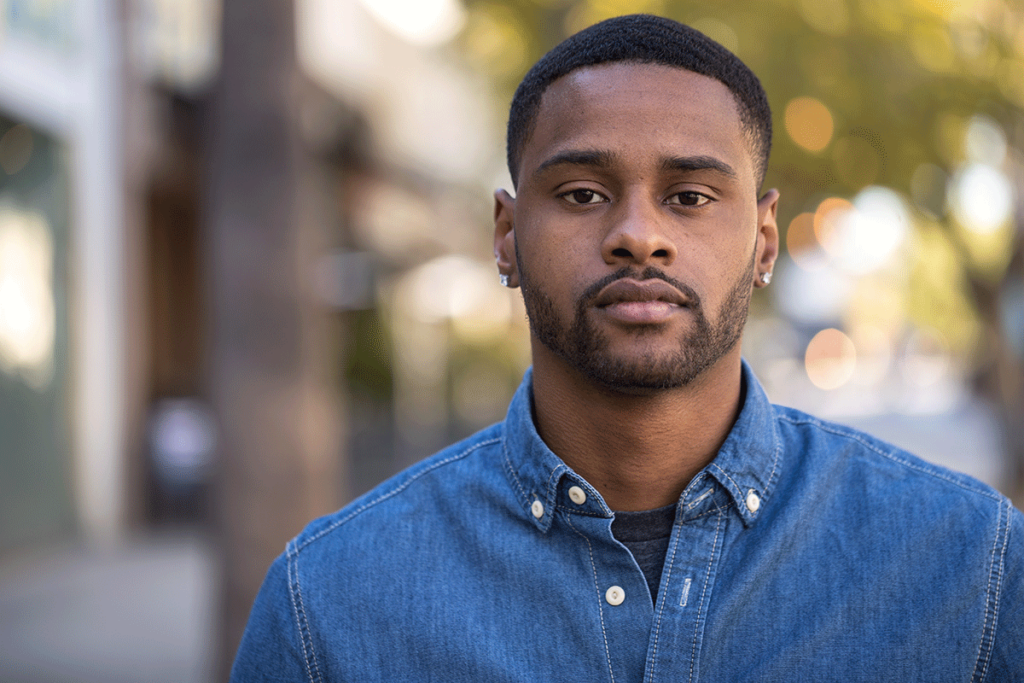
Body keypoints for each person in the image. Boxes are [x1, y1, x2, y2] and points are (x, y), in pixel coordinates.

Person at [231, 14, 1022, 681]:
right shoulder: (329, 604)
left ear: (764, 239)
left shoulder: (970, 569)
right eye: (582, 193)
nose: (639, 235)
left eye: (690, 197)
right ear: (506, 236)